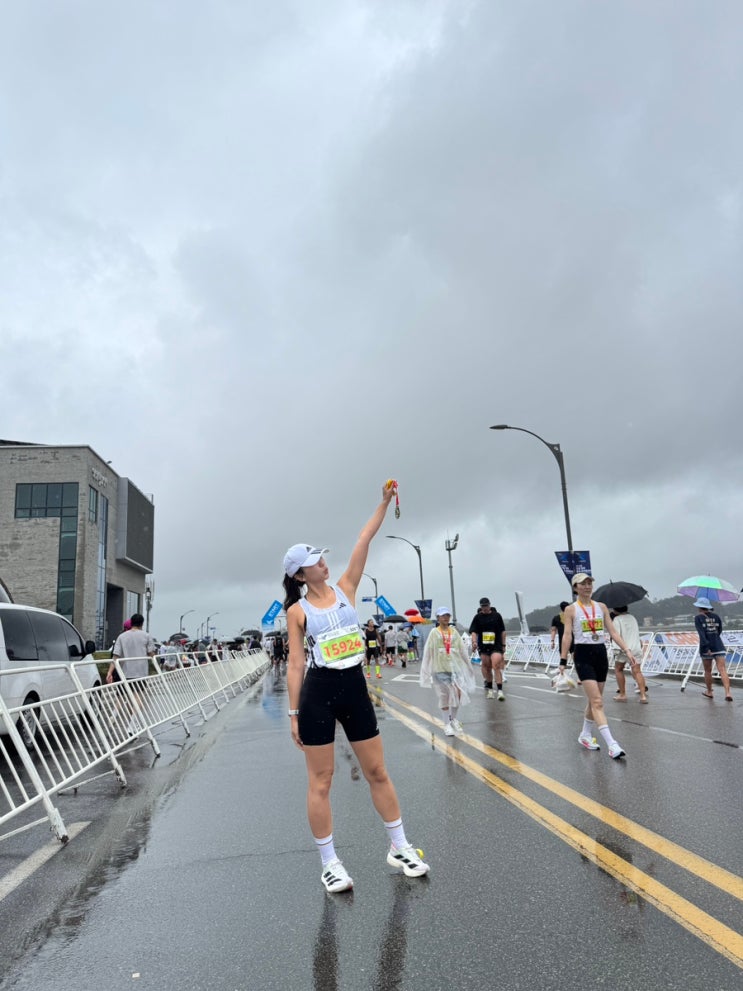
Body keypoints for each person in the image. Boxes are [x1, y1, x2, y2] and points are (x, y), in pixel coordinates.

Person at [283, 483, 430, 894]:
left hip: (354, 687)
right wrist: (293, 713)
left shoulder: (347, 588)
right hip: (318, 692)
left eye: (322, 557)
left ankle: (400, 847)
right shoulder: (297, 611)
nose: (323, 563)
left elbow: (364, 538)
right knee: (322, 781)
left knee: (378, 771)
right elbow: (296, 664)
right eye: (314, 562)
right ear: (299, 574)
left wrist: (383, 503)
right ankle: (329, 863)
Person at [559, 575, 638, 759]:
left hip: (600, 654)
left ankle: (585, 734)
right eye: (583, 584)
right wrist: (563, 661)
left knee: (595, 700)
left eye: (589, 583)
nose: (587, 586)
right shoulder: (571, 610)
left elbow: (612, 631)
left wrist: (627, 650)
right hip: (583, 655)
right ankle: (612, 744)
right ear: (575, 588)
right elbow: (567, 635)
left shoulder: (601, 607)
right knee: (597, 702)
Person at [420, 607, 476, 737]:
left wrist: (468, 666)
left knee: (457, 693)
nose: (445, 618)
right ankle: (446, 724)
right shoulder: (434, 632)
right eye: (442, 615)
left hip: (454, 668)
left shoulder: (454, 632)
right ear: (438, 618)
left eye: (447, 615)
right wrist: (426, 670)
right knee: (444, 696)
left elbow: (461, 650)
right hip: (439, 669)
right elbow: (428, 652)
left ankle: (453, 719)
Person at [107, 613, 156, 729]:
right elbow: (151, 653)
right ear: (142, 624)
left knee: (121, 696)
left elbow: (115, 656)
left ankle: (114, 714)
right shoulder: (146, 636)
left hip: (124, 672)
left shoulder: (122, 636)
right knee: (137, 697)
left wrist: (109, 672)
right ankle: (132, 724)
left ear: (132, 622)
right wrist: (154, 659)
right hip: (140, 672)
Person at [694, 597, 733, 701]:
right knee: (723, 670)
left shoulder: (698, 618)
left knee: (708, 671)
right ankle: (728, 693)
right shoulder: (716, 616)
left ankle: (709, 691)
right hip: (718, 645)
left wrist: (707, 647)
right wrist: (715, 638)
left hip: (706, 648)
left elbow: (702, 634)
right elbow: (719, 629)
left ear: (699, 607)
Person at [469, 597, 506, 699]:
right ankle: (490, 689)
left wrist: (503, 645)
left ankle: (500, 691)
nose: (485, 608)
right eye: (483, 606)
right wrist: (474, 642)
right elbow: (474, 631)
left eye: (486, 605)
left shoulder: (497, 616)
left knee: (496, 665)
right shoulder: (477, 618)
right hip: (484, 646)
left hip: (496, 645)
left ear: (489, 605)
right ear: (480, 607)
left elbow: (503, 631)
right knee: (487, 667)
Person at [611, 606, 647, 703]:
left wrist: (616, 648)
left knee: (618, 669)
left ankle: (622, 694)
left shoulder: (617, 620)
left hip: (623, 648)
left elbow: (616, 635)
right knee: (637, 671)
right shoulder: (632, 618)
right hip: (636, 647)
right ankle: (643, 696)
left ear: (615, 609)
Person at [550, 602, 570, 670]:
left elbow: (553, 630)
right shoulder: (573, 617)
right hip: (573, 640)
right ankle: (580, 676)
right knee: (576, 658)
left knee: (563, 659)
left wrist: (552, 641)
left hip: (562, 641)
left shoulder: (556, 618)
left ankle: (563, 672)